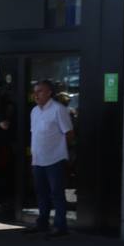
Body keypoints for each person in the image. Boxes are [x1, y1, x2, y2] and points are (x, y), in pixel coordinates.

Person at [25, 79, 74, 237]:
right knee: (41, 192)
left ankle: (60, 226)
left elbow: (69, 133)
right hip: (38, 159)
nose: (36, 95)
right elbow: (35, 134)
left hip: (55, 158)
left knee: (57, 193)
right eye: (35, 91)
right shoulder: (34, 111)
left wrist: (62, 150)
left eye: (40, 91)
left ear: (49, 93)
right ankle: (43, 223)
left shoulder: (58, 109)